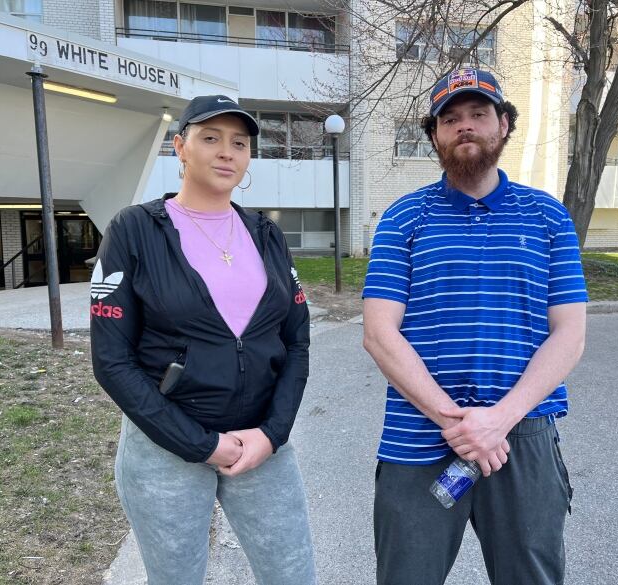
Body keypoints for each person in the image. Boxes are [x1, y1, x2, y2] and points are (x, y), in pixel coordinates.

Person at [362, 68, 588, 585]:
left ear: (503, 124)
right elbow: (379, 333)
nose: (465, 126)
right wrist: (455, 421)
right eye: (450, 118)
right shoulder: (403, 218)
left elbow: (569, 334)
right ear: (435, 135)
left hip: (523, 434)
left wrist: (499, 419)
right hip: (418, 436)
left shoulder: (549, 217)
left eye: (479, 114)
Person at [90, 95, 316, 585]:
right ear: (180, 148)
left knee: (293, 575)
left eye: (239, 142)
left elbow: (297, 342)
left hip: (259, 444)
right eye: (210, 138)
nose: (226, 152)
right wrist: (200, 444)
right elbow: (111, 360)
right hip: (167, 448)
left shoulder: (266, 234)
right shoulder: (134, 230)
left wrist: (273, 433)